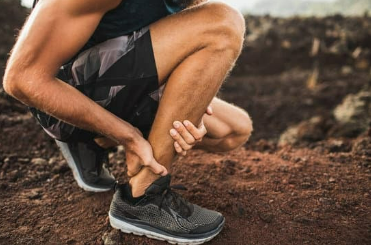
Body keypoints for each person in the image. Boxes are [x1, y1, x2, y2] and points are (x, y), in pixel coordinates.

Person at [3, 0, 253, 243]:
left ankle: (96, 143)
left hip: (116, 79)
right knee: (222, 23)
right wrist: (128, 136)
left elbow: (174, 41)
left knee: (233, 129)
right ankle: (143, 198)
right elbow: (22, 79)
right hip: (56, 103)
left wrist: (193, 101)